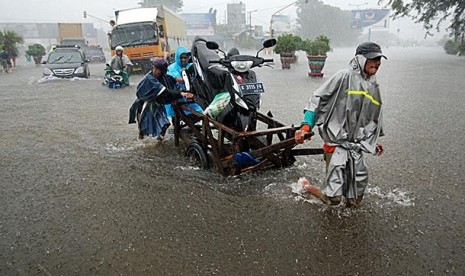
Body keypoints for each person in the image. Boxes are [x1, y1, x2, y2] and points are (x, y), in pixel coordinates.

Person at [295, 42, 387, 207]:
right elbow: (317, 99)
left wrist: (373, 141)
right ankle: (306, 187)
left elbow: (373, 115)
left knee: (354, 199)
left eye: (379, 58)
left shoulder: (373, 84)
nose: (377, 62)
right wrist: (305, 126)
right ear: (360, 59)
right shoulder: (344, 76)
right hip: (336, 143)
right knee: (334, 199)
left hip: (356, 146)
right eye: (373, 58)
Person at [128, 58, 194, 140]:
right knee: (143, 127)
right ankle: (141, 141)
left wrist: (183, 90)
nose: (157, 71)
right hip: (145, 104)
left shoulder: (164, 77)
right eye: (155, 68)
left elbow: (172, 84)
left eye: (159, 69)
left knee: (165, 124)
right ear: (153, 67)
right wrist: (180, 94)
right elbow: (165, 91)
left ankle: (159, 141)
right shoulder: (150, 79)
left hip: (157, 103)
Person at [165, 46, 203, 118]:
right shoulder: (172, 68)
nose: (183, 60)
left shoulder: (192, 66)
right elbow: (178, 79)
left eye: (185, 57)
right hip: (177, 95)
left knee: (200, 112)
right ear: (177, 58)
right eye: (181, 57)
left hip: (192, 96)